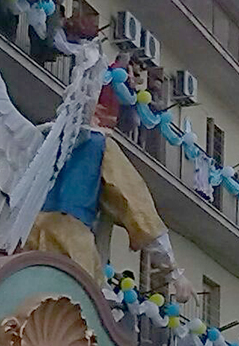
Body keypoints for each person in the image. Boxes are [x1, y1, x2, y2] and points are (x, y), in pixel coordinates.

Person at [24, 84, 193, 299]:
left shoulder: (35, 138)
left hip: (23, 240)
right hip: (70, 240)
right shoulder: (99, 144)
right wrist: (173, 272)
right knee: (78, 316)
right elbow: (136, 207)